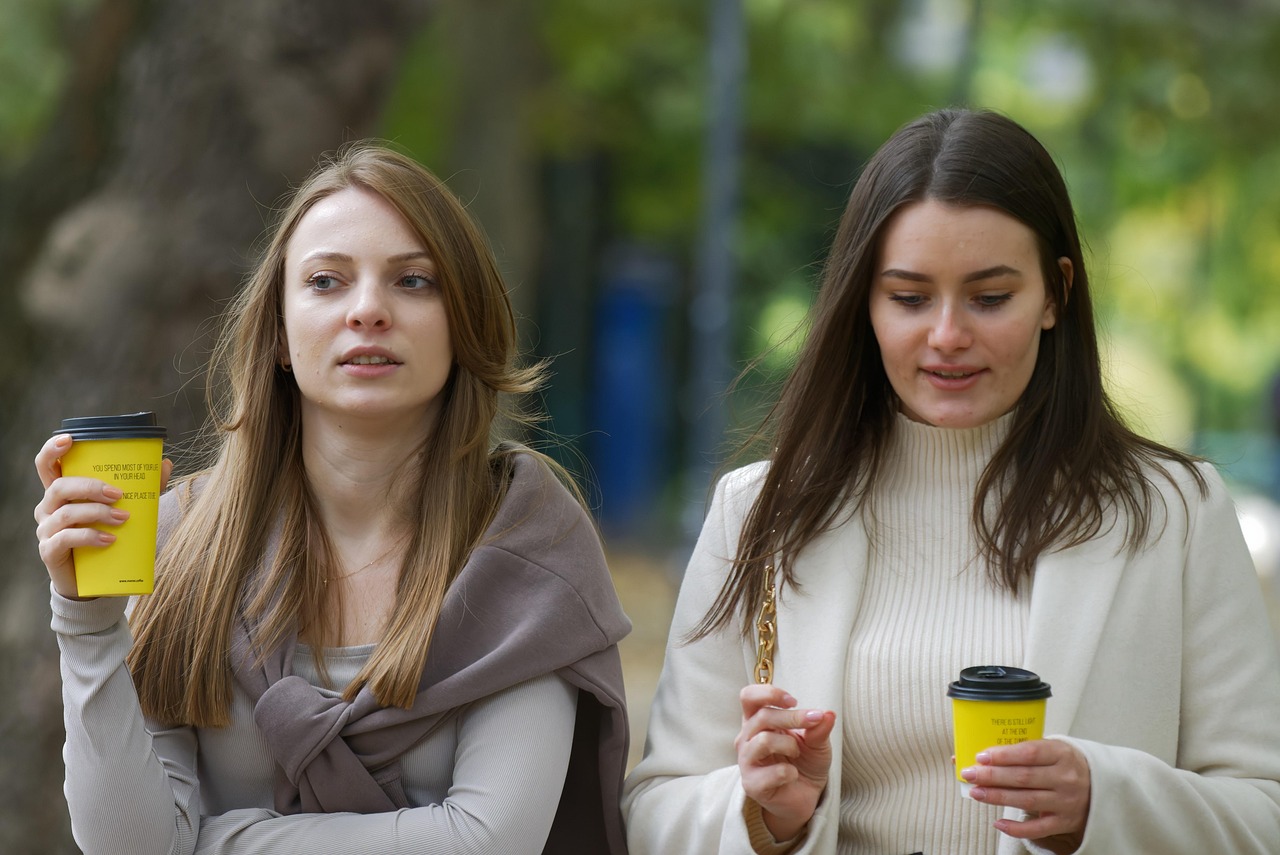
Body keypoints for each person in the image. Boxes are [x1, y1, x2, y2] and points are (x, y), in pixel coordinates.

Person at [622, 108, 1280, 854]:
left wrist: (1105, 800)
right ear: (862, 301)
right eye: (908, 297)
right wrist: (769, 815)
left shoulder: (1175, 515)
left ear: (1056, 293)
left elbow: (1265, 811)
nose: (946, 335)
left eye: (990, 296)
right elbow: (654, 811)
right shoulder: (758, 514)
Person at [34, 142, 631, 855]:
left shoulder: (526, 538)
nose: (369, 310)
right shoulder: (178, 540)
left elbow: (486, 841)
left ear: (460, 323)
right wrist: (87, 621)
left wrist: (219, 843)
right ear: (280, 334)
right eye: (326, 281)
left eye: (413, 281)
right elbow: (129, 846)